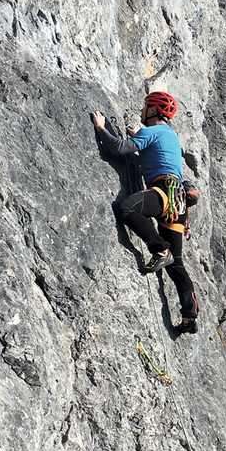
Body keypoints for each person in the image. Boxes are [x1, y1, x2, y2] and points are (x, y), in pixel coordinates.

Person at [90, 92, 198, 334]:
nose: (142, 110)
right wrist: (137, 135)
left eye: (145, 106)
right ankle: (190, 315)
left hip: (163, 192)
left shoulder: (153, 132)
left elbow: (118, 148)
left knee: (125, 207)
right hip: (177, 201)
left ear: (152, 111)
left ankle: (159, 248)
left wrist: (100, 128)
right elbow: (153, 154)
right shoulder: (170, 135)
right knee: (177, 264)